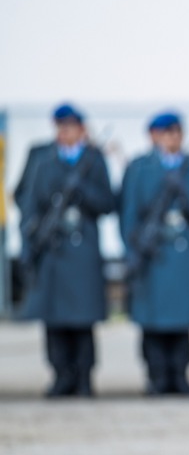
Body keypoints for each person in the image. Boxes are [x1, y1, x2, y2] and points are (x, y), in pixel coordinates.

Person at [16, 103, 116, 397]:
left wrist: (82, 191)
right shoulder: (43, 161)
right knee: (56, 321)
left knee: (83, 320)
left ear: (81, 130)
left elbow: (108, 203)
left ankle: (84, 377)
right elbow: (30, 203)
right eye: (61, 128)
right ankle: (61, 376)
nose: (66, 133)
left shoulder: (94, 160)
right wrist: (30, 241)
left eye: (71, 127)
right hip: (54, 252)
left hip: (82, 252)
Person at [119, 111, 189, 395]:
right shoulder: (139, 168)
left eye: (176, 133)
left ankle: (180, 375)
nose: (172, 138)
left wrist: (184, 192)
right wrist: (132, 250)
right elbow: (129, 214)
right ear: (155, 136)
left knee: (181, 320)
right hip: (152, 253)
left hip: (182, 252)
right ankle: (157, 376)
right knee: (152, 320)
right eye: (166, 133)